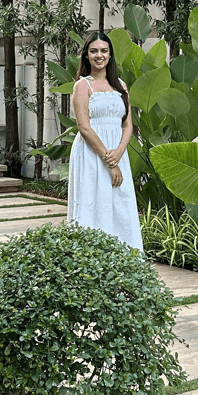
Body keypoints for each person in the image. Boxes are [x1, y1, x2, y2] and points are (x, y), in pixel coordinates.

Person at [67, 31, 143, 252]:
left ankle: (126, 257)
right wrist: (110, 161)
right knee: (93, 202)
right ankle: (91, 258)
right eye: (93, 51)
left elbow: (128, 125)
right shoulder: (82, 86)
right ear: (86, 55)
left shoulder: (120, 85)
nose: (99, 55)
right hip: (91, 154)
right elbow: (84, 127)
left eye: (103, 51)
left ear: (110, 55)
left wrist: (119, 151)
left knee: (121, 202)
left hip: (118, 153)